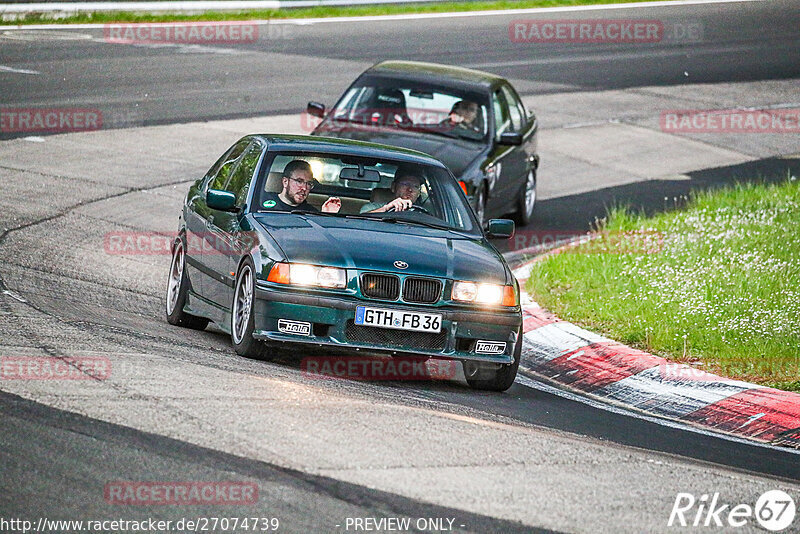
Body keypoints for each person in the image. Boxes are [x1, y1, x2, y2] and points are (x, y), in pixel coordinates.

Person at [262, 160, 341, 213]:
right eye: (299, 181)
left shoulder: (311, 213)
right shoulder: (262, 201)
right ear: (285, 182)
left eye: (309, 183)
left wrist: (324, 216)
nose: (305, 188)